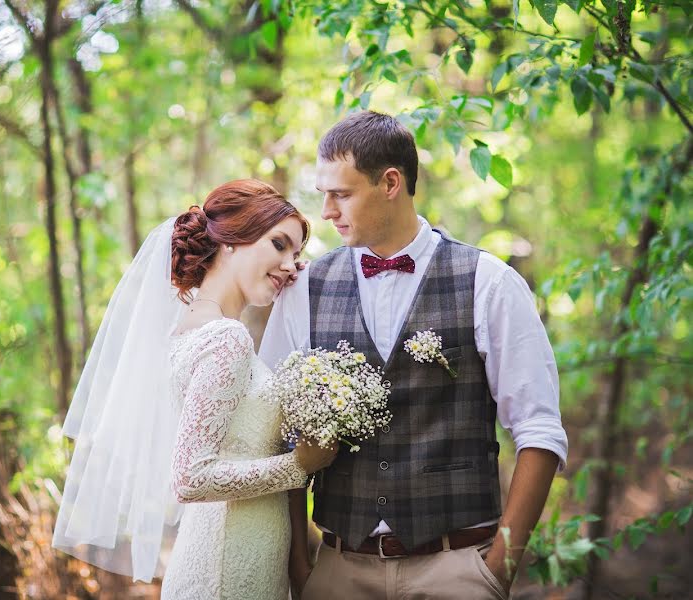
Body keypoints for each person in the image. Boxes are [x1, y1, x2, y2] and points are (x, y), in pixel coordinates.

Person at [259, 111, 568, 600]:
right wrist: (301, 565)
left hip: (457, 567)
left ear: (390, 182)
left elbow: (540, 431)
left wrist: (496, 570)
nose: (327, 211)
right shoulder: (305, 290)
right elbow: (277, 434)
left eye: (341, 193)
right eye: (323, 194)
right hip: (338, 568)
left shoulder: (488, 282)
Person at [52, 179, 337, 599]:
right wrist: (299, 464)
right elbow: (190, 477)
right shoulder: (226, 339)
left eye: (297, 254)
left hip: (244, 559)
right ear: (232, 242)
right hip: (224, 571)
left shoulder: (197, 328)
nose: (293, 265)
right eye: (279, 245)